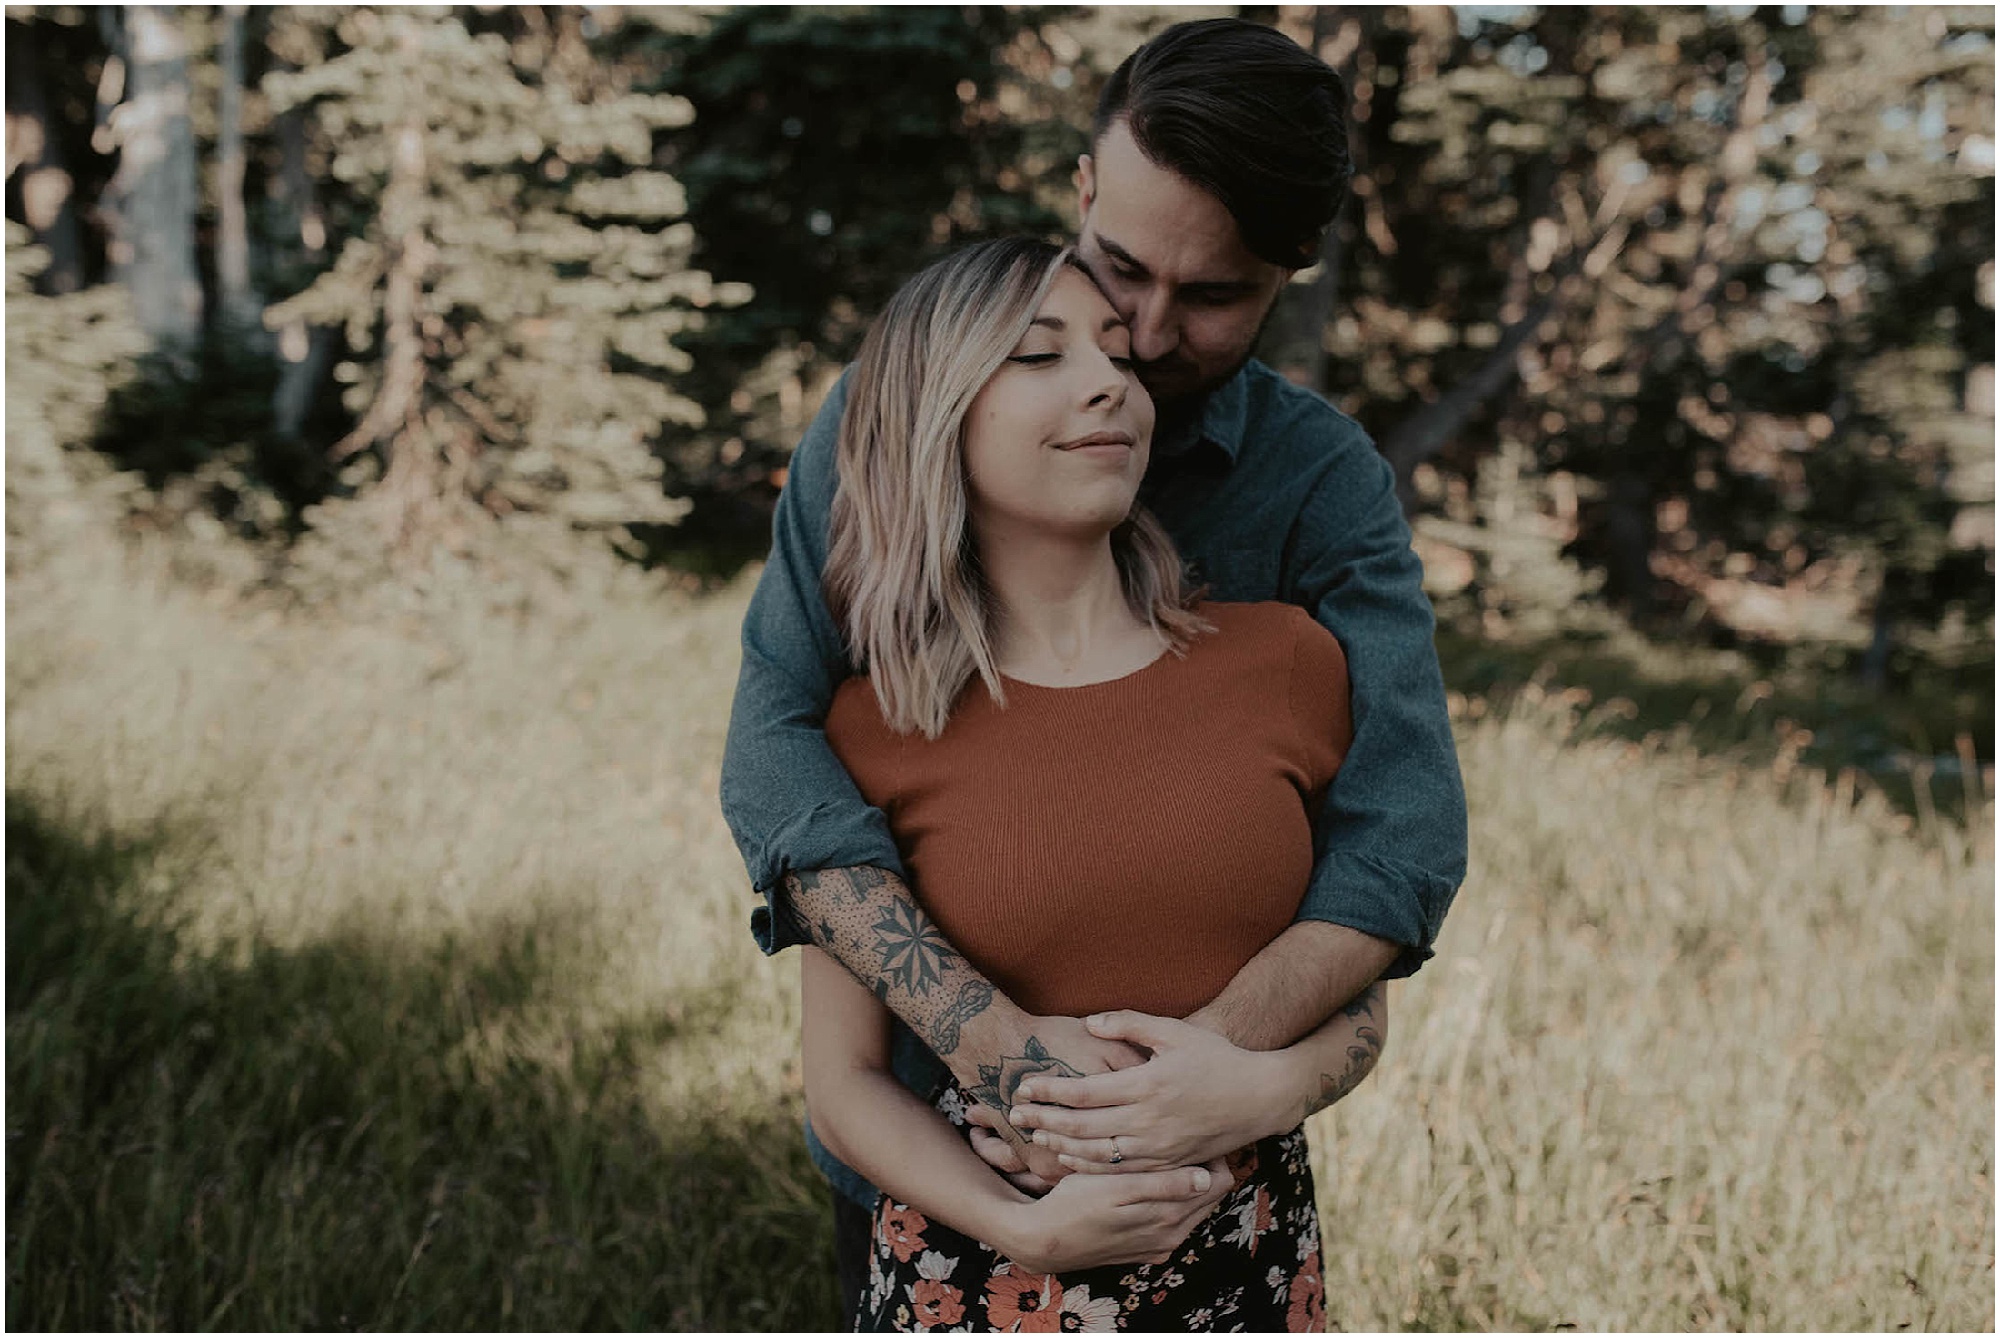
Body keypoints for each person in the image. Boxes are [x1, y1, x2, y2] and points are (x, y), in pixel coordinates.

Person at [719, 15, 1467, 1318]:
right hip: (946, 1179)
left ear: (1290, 272)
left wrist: (1219, 1079)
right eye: (1119, 268)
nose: (1145, 335)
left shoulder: (1317, 490)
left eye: (1215, 294)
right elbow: (783, 749)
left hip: (1222, 1198)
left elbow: (1399, 836)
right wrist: (1008, 1063)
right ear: (1083, 187)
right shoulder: (888, 421)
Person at [806, 235, 1381, 1331]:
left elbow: (1360, 1003)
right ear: (937, 417)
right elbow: (842, 1084)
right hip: (971, 1279)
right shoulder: (870, 723)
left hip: (1243, 1265)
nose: (1110, 377)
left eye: (1116, 350)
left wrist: (1260, 1091)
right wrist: (1025, 1229)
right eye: (1037, 354)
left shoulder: (1288, 665)